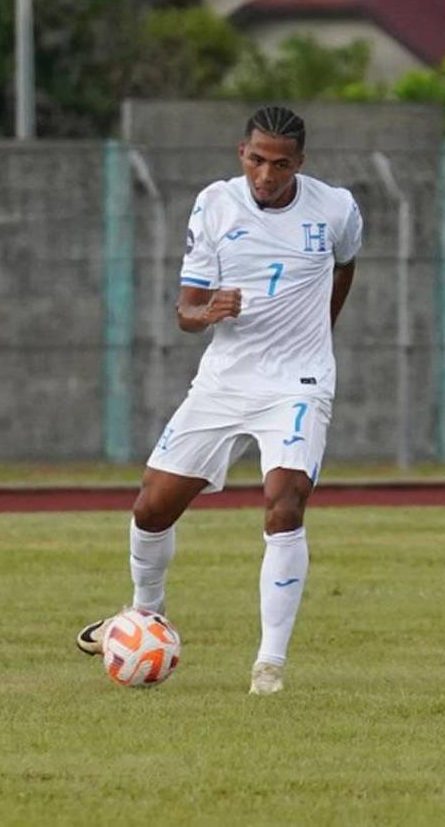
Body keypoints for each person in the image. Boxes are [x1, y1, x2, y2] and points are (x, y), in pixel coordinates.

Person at [76, 105, 363, 695]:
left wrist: (320, 335)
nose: (266, 174)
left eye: (280, 165)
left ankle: (269, 666)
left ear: (299, 165)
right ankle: (142, 616)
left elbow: (345, 264)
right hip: (224, 382)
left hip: (298, 384)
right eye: (257, 160)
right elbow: (185, 311)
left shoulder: (336, 208)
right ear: (242, 153)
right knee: (151, 509)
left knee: (285, 505)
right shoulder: (215, 204)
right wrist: (208, 312)